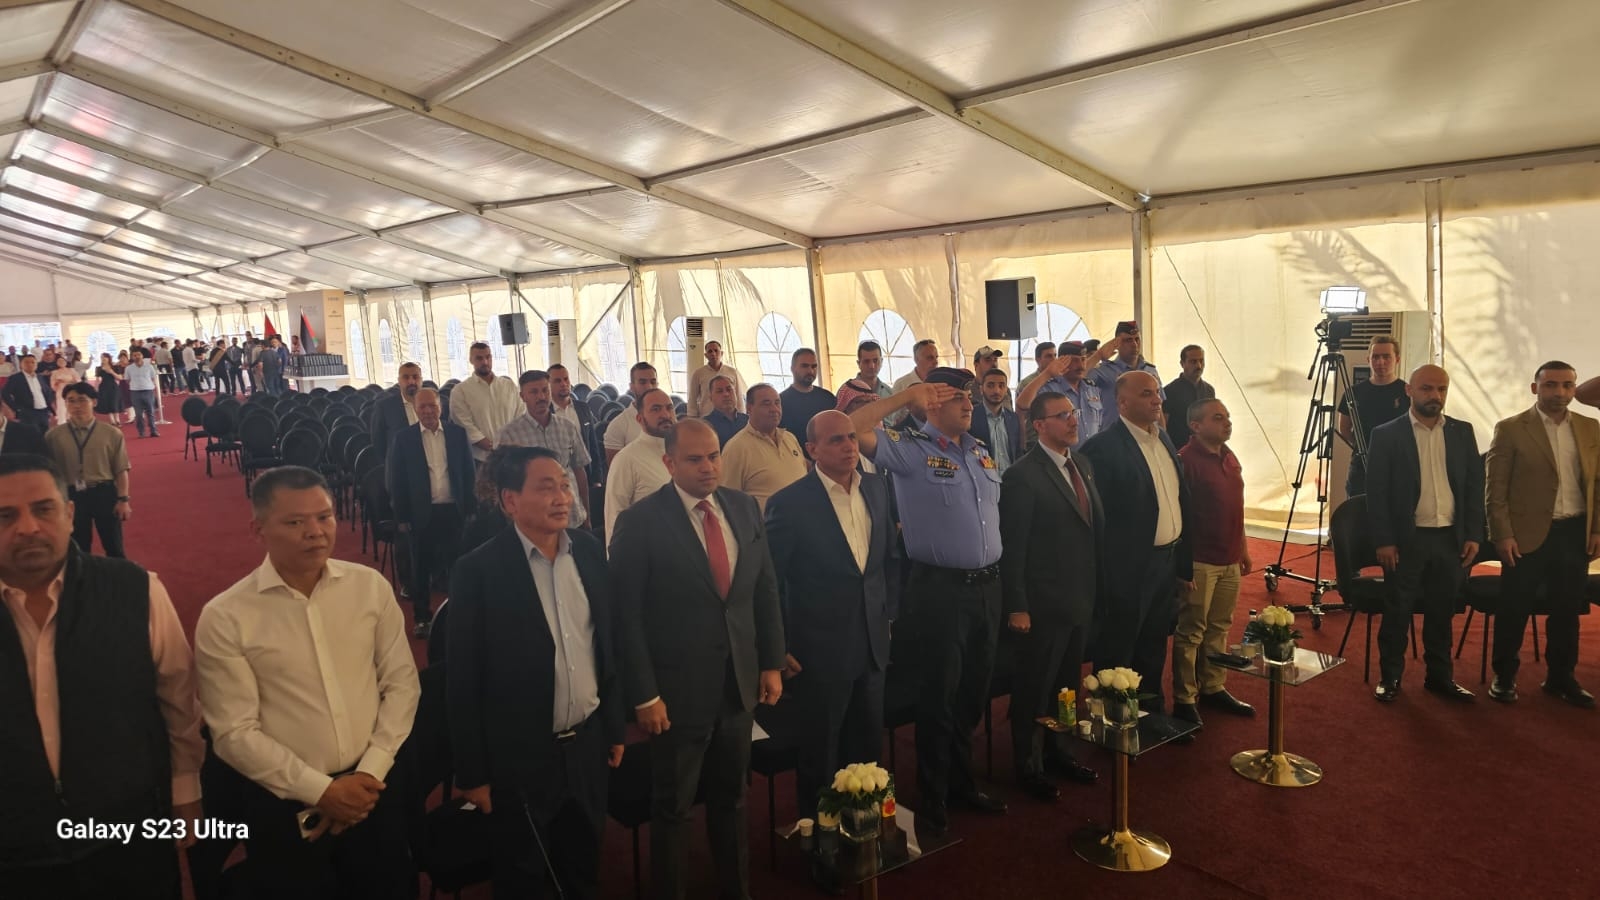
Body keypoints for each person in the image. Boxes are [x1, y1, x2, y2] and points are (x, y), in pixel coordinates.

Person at [195, 466, 420, 900]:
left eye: (324, 516)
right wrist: (323, 792)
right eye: (295, 522)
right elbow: (234, 733)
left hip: (375, 789)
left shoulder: (369, 587)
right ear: (258, 529)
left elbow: (402, 685)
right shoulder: (226, 616)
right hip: (285, 804)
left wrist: (367, 776)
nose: (315, 532)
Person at [0, 454, 205, 900]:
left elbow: (179, 698)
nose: (27, 528)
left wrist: (185, 787)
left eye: (43, 509)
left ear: (70, 514)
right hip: (14, 846)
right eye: (5, 516)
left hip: (127, 826)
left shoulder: (136, 588)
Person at [610, 418, 785, 900]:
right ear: (669, 463)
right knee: (674, 808)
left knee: (733, 798)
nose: (708, 467)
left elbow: (764, 589)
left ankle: (737, 890)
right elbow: (626, 618)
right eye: (694, 459)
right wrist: (644, 694)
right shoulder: (641, 522)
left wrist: (771, 661)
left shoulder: (742, 507)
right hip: (675, 693)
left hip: (737, 683)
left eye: (713, 456)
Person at [447, 447, 625, 898]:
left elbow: (605, 645)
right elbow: (463, 682)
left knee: (582, 866)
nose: (563, 497)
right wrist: (472, 773)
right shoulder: (478, 572)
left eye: (564, 486)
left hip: (586, 746)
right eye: (546, 488)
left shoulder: (588, 551)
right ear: (510, 500)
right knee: (523, 874)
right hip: (520, 757)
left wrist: (612, 727)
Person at [847, 370, 1007, 836]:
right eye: (958, 398)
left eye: (969, 397)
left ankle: (962, 782)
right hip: (940, 591)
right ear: (932, 403)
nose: (969, 404)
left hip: (987, 588)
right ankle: (933, 793)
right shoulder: (911, 450)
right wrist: (906, 397)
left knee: (973, 691)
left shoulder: (979, 451)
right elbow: (852, 427)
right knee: (939, 694)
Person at [765, 410, 898, 819]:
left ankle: (864, 824)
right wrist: (777, 645)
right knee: (821, 753)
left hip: (872, 641)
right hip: (819, 649)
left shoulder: (877, 487)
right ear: (812, 449)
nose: (849, 446)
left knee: (867, 746)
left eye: (852, 437)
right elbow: (770, 581)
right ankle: (821, 834)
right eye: (836, 440)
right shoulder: (790, 503)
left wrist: (888, 615)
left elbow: (889, 559)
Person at [1000, 391, 1103, 803]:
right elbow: (1014, 547)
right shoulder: (1023, 476)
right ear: (1039, 425)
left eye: (1072, 412)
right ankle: (1028, 764)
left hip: (1078, 599)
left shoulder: (1083, 465)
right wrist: (1017, 605)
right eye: (1062, 415)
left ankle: (1061, 750)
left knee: (1066, 686)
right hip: (1041, 605)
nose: (1073, 420)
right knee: (1034, 687)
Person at [1486, 361, 1600, 707]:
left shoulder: (1590, 427)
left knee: (1567, 610)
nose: (1559, 392)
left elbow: (1597, 484)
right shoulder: (1511, 429)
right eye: (1550, 385)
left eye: (1567, 385)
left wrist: (1597, 529)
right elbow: (1495, 490)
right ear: (1535, 388)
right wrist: (1502, 535)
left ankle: (1561, 677)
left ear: (1574, 389)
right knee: (1514, 608)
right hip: (1525, 536)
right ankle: (1504, 676)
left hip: (1574, 533)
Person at [1078, 371, 1192, 714]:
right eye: (1146, 394)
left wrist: (1182, 566)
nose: (1157, 399)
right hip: (1127, 569)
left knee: (1154, 644)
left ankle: (1151, 714)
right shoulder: (1102, 448)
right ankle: (1114, 719)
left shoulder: (1163, 438)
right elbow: (1096, 520)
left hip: (1165, 562)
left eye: (1157, 392)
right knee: (1119, 647)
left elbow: (1179, 499)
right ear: (1123, 403)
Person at [1365, 366, 1481, 703]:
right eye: (1427, 388)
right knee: (1398, 611)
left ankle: (1440, 677)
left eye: (1441, 389)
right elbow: (1377, 493)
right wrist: (1384, 540)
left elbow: (1474, 488)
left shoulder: (1462, 431)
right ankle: (1390, 678)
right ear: (1409, 390)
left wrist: (1473, 534)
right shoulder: (1386, 434)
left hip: (1450, 539)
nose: (1435, 396)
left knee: (1442, 612)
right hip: (1406, 540)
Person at [1171, 399, 1255, 723]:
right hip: (1200, 560)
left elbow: (1237, 507)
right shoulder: (1185, 461)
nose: (1227, 422)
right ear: (1195, 426)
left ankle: (1213, 686)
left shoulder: (1229, 456)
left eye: (1227, 416)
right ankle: (1184, 697)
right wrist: (1183, 565)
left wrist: (1243, 549)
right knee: (1192, 630)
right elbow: (1179, 517)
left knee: (1220, 626)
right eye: (1218, 417)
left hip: (1229, 557)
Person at [386, 388, 475, 639]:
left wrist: (470, 507)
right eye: (422, 407)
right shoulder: (404, 439)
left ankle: (458, 614)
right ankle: (422, 618)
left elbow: (468, 473)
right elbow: (397, 480)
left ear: (441, 407)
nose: (427, 411)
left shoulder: (458, 434)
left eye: (432, 406)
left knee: (457, 567)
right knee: (421, 569)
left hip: (453, 511)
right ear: (415, 409)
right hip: (421, 514)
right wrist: (402, 517)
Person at [496, 370, 592, 528]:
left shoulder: (567, 427)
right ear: (522, 396)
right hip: (535, 522)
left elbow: (579, 470)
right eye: (534, 392)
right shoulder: (509, 435)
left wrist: (587, 513)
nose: (541, 397)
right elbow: (503, 483)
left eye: (545, 390)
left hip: (572, 515)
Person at [46, 383, 132, 559]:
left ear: (94, 402)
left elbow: (121, 469)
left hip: (104, 493)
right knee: (78, 550)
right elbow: (49, 474)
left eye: (82, 400)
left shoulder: (111, 433)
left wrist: (123, 500)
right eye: (71, 401)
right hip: (71, 496)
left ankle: (118, 576)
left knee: (114, 547)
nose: (76, 406)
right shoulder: (53, 436)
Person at [602, 388, 677, 542]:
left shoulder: (684, 452)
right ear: (640, 419)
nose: (665, 415)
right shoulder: (626, 459)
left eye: (669, 408)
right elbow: (614, 519)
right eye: (656, 409)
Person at [1337, 334, 1408, 496]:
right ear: (1368, 359)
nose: (1380, 362)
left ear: (1397, 359)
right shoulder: (1353, 392)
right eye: (1375, 357)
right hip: (1361, 467)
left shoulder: (1408, 392)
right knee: (1358, 510)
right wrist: (1363, 446)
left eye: (1386, 357)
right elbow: (1344, 429)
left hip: (1398, 468)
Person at [720, 383, 806, 512]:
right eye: (766, 404)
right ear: (749, 408)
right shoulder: (736, 448)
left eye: (777, 403)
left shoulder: (790, 438)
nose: (774, 409)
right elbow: (727, 501)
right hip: (765, 524)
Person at [1015, 341, 1105, 445]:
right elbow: (1022, 404)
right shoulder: (1048, 387)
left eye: (1083, 360)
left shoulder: (1091, 388)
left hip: (1092, 453)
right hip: (1059, 453)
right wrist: (1047, 373)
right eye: (1075, 361)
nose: (1081, 366)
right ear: (1062, 361)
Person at [451, 342, 521, 464]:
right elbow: (464, 423)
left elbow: (520, 414)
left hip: (511, 455)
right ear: (471, 360)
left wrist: (510, 444)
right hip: (480, 459)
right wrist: (492, 447)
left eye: (488, 357)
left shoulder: (509, 386)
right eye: (479, 358)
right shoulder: (461, 390)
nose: (485, 362)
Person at [549, 363, 604, 489]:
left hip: (585, 475)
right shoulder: (546, 412)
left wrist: (597, 479)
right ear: (549, 385)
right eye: (558, 381)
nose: (563, 384)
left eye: (566, 379)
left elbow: (593, 446)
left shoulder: (583, 408)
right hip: (557, 477)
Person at [602, 363, 660, 464]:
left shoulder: (667, 419)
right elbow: (616, 468)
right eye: (642, 382)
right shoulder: (618, 425)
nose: (649, 386)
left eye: (653, 382)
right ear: (632, 387)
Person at [778, 348, 836, 447]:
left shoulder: (827, 398)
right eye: (804, 366)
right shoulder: (780, 402)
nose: (810, 371)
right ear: (792, 368)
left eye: (814, 366)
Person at [968, 368, 1022, 473]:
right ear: (981, 389)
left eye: (1001, 386)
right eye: (990, 385)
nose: (996, 391)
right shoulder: (971, 416)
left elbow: (1017, 452)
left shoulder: (1013, 418)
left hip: (1010, 479)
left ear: (1006, 390)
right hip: (983, 477)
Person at [1163, 345, 1215, 448]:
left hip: (1204, 448)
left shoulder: (1209, 390)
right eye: (1193, 361)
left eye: (1201, 361)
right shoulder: (1170, 391)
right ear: (1182, 364)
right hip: (1179, 449)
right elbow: (1163, 426)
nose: (1199, 366)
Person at [368, 362, 422, 459]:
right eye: (406, 377)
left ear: (421, 380)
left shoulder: (432, 404)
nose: (411, 382)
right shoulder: (384, 407)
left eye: (415, 377)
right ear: (399, 381)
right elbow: (378, 443)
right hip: (401, 463)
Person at [687, 340, 747, 419]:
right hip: (706, 418)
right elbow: (692, 398)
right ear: (706, 355)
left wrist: (741, 416)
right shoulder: (698, 373)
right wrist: (692, 418)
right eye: (710, 351)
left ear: (721, 353)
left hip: (729, 417)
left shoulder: (732, 372)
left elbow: (738, 396)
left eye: (716, 351)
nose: (713, 354)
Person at [3, 353, 54, 431]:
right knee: (30, 434)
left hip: (43, 411)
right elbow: (5, 393)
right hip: (27, 412)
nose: (30, 364)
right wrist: (16, 408)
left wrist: (49, 406)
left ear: (36, 365)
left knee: (45, 433)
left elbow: (48, 392)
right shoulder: (15, 378)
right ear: (21, 365)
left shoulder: (40, 377)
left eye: (33, 362)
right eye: (26, 362)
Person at [704, 375, 749, 446]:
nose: (726, 394)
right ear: (711, 398)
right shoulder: (705, 426)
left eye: (729, 390)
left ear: (735, 394)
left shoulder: (749, 421)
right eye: (719, 391)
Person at [125, 348, 160, 438]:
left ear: (142, 356)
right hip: (135, 393)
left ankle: (153, 431)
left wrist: (149, 385)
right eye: (135, 355)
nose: (137, 357)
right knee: (139, 414)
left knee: (150, 412)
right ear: (132, 357)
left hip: (148, 391)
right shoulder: (129, 368)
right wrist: (136, 385)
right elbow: (127, 380)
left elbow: (153, 377)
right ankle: (141, 432)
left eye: (139, 355)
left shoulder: (149, 366)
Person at [970, 347, 1014, 412]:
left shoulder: (1005, 390)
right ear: (976, 365)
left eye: (995, 359)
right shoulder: (968, 390)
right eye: (988, 360)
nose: (994, 364)